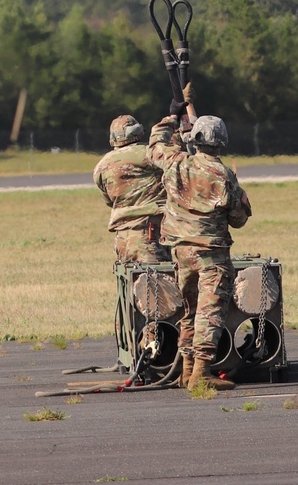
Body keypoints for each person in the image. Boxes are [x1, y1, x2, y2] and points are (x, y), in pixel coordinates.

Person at [148, 102, 251, 391]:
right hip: (211, 254)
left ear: (195, 139)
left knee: (189, 311)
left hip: (180, 251)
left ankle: (187, 370)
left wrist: (169, 119)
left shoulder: (176, 162)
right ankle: (202, 372)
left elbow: (155, 144)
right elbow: (238, 219)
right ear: (221, 142)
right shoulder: (224, 176)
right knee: (210, 312)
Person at [92, 114, 169, 264]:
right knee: (158, 284)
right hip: (151, 233)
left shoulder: (102, 165)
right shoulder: (151, 154)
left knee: (132, 283)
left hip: (122, 240)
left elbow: (109, 201)